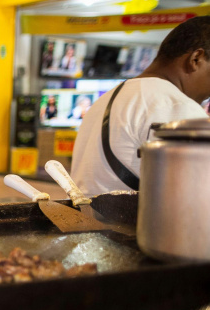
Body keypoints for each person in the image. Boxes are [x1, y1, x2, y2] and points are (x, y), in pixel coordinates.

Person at [71, 15, 210, 195]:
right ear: (196, 59)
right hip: (137, 223)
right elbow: (197, 197)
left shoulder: (105, 99)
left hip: (86, 221)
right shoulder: (178, 106)